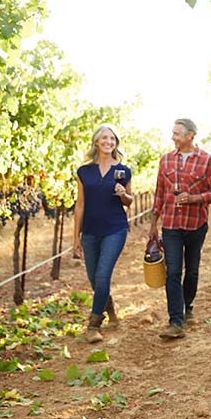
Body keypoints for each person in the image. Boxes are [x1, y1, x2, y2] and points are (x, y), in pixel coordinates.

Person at [149, 118, 211, 339]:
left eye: (177, 134)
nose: (173, 137)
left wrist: (195, 198)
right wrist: (153, 223)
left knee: (191, 270)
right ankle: (176, 321)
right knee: (173, 271)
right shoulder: (165, 161)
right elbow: (160, 192)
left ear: (190, 135)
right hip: (170, 224)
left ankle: (187, 306)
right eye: (173, 133)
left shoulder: (207, 161)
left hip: (196, 224)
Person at [73, 123, 133, 343]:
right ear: (97, 141)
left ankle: (93, 324)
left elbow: (129, 201)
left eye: (113, 139)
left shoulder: (123, 171)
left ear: (116, 143)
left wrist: (122, 194)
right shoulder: (84, 171)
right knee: (94, 278)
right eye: (105, 138)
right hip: (90, 230)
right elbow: (80, 205)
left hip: (115, 229)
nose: (109, 142)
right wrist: (75, 238)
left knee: (102, 275)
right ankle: (111, 312)